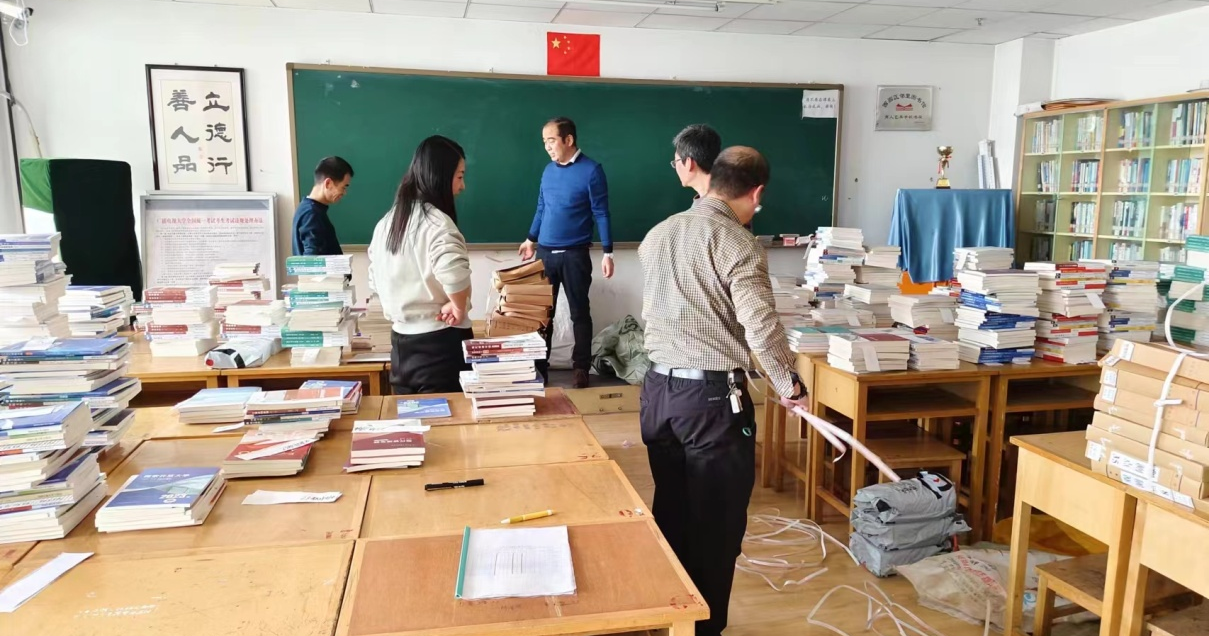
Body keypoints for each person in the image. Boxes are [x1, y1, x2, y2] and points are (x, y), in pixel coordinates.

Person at [638, 146, 808, 636]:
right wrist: (790, 386)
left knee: (672, 513)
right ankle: (702, 630)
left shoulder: (658, 234)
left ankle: (668, 621)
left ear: (711, 181)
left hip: (658, 393)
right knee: (715, 529)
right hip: (711, 402)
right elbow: (761, 328)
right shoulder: (738, 243)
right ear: (757, 193)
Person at [368, 136, 472, 394]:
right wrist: (458, 306)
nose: (462, 186)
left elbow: (374, 279)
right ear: (440, 176)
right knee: (447, 418)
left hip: (400, 347)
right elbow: (455, 277)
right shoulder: (437, 223)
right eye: (459, 176)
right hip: (440, 345)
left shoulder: (387, 222)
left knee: (411, 417)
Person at [518, 117, 613, 389]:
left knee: (579, 312)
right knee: (542, 315)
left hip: (575, 254)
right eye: (544, 142)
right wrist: (530, 239)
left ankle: (581, 368)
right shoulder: (548, 171)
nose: (547, 147)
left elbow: (601, 213)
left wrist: (608, 252)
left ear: (568, 140)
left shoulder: (592, 171)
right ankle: (539, 368)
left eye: (551, 140)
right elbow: (541, 207)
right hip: (545, 254)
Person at [292, 156, 354, 256]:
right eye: (343, 187)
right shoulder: (311, 214)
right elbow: (311, 260)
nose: (344, 192)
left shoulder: (309, 209)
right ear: (328, 183)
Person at [671, 124, 721, 200]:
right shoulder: (733, 194)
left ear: (689, 163)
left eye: (676, 162)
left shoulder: (708, 205)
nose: (676, 168)